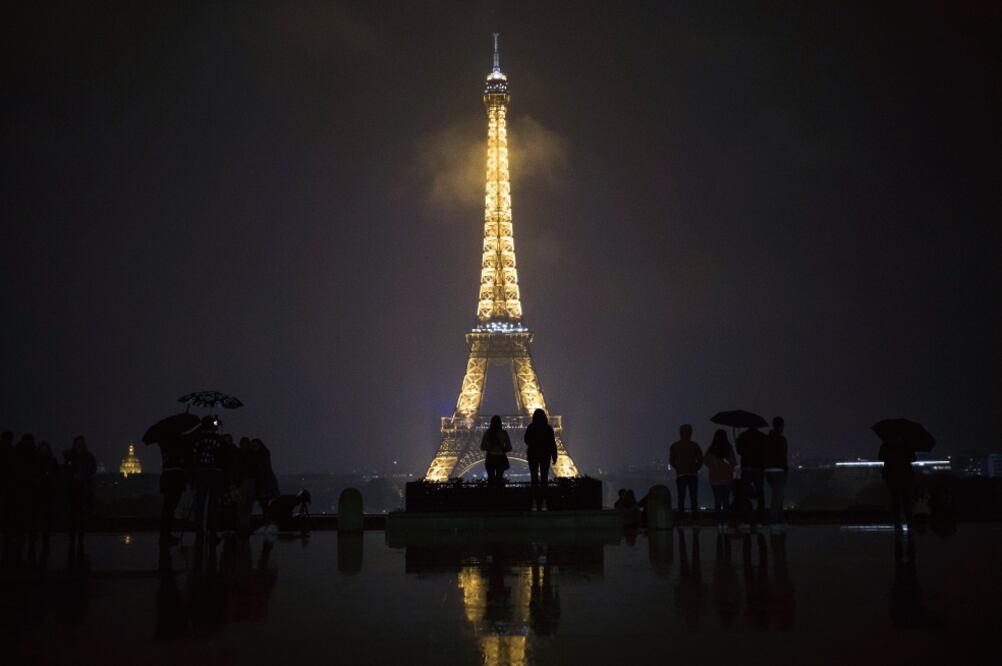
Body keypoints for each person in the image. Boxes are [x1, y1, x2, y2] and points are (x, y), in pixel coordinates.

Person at [192, 416, 226, 542]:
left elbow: (193, 456)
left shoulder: (197, 439)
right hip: (215, 473)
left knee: (200, 502)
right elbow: (224, 455)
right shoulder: (218, 439)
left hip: (201, 472)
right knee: (213, 503)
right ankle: (212, 531)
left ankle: (199, 531)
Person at [159, 430, 193, 551]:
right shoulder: (177, 448)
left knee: (167, 508)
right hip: (175, 479)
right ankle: (166, 534)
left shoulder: (164, 446)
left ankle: (165, 534)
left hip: (167, 478)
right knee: (170, 508)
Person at [63, 435, 97, 548]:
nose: (79, 446)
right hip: (74, 488)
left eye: (81, 444)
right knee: (73, 514)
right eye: (78, 444)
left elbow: (92, 469)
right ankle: (72, 538)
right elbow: (66, 470)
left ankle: (80, 539)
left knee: (82, 515)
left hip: (83, 488)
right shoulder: (71, 456)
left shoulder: (88, 456)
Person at [878, 433, 915, 531]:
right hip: (905, 474)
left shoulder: (886, 445)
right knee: (906, 498)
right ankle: (908, 520)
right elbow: (913, 458)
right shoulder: (906, 445)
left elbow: (880, 457)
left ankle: (897, 521)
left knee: (896, 498)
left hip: (892, 474)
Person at [28, 440, 59, 558]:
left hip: (45, 493)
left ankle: (42, 540)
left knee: (44, 518)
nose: (43, 450)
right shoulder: (38, 461)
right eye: (42, 448)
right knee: (37, 518)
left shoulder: (46, 461)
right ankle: (36, 539)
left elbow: (56, 475)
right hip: (38, 493)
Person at [524, 408, 558, 511]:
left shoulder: (531, 427)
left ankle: (534, 502)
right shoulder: (548, 428)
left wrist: (534, 443)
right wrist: (554, 455)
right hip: (545, 455)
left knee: (534, 479)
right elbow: (552, 443)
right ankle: (544, 502)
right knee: (544, 479)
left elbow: (526, 440)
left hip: (533, 455)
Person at [669, 424, 703, 522]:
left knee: (681, 496)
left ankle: (681, 516)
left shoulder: (675, 446)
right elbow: (700, 459)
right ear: (690, 433)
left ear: (680, 433)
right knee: (693, 496)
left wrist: (678, 468)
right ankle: (695, 516)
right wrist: (696, 467)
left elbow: (671, 460)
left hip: (681, 474)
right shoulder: (695, 445)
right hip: (692, 474)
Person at [736, 425, 766, 530]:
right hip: (758, 468)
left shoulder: (743, 436)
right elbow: (765, 452)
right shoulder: (762, 437)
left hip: (746, 468)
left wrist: (737, 442)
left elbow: (739, 451)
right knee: (760, 495)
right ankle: (760, 520)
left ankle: (746, 520)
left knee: (744, 496)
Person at [704, 429, 736, 527]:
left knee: (717, 500)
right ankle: (725, 521)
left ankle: (718, 521)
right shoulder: (728, 449)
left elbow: (705, 461)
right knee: (726, 500)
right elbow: (733, 463)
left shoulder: (711, 449)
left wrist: (712, 467)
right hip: (727, 478)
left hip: (715, 478)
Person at [763, 417, 788, 528]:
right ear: (781, 426)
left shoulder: (766, 439)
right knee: (778, 496)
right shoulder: (782, 439)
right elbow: (783, 455)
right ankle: (774, 520)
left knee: (777, 495)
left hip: (768, 470)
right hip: (779, 470)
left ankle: (780, 519)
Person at [480, 416, 512, 490]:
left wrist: (490, 447)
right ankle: (499, 495)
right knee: (499, 479)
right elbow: (509, 448)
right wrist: (502, 449)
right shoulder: (504, 433)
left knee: (491, 479)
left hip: (490, 458)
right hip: (500, 458)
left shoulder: (487, 433)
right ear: (500, 423)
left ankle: (490, 495)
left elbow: (482, 447)